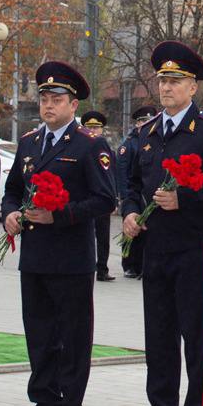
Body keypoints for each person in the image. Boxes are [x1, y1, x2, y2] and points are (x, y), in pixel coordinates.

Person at [118, 41, 203, 406]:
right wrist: (132, 212)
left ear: (192, 87)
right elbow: (133, 183)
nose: (166, 88)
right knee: (159, 336)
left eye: (175, 81)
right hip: (155, 248)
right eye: (162, 81)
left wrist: (185, 198)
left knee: (197, 337)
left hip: (194, 247)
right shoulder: (148, 132)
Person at [2, 62, 116, 406]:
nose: (49, 105)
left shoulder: (89, 144)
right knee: (38, 332)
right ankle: (43, 401)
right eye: (44, 99)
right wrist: (10, 215)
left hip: (70, 256)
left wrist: (61, 215)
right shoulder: (30, 143)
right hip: (35, 255)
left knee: (71, 335)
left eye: (57, 99)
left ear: (73, 104)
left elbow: (104, 200)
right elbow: (13, 191)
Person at [116, 105, 158, 279]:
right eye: (142, 120)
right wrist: (125, 198)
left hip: (147, 195)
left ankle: (140, 264)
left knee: (143, 231)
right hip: (132, 195)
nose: (144, 123)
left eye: (148, 120)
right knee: (130, 230)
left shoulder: (153, 139)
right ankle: (128, 264)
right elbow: (123, 172)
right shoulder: (130, 143)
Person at [81, 110, 116, 282]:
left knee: (103, 236)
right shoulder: (80, 147)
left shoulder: (105, 148)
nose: (93, 131)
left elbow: (112, 175)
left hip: (102, 199)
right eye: (90, 127)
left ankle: (102, 268)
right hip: (84, 199)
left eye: (97, 127)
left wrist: (114, 198)